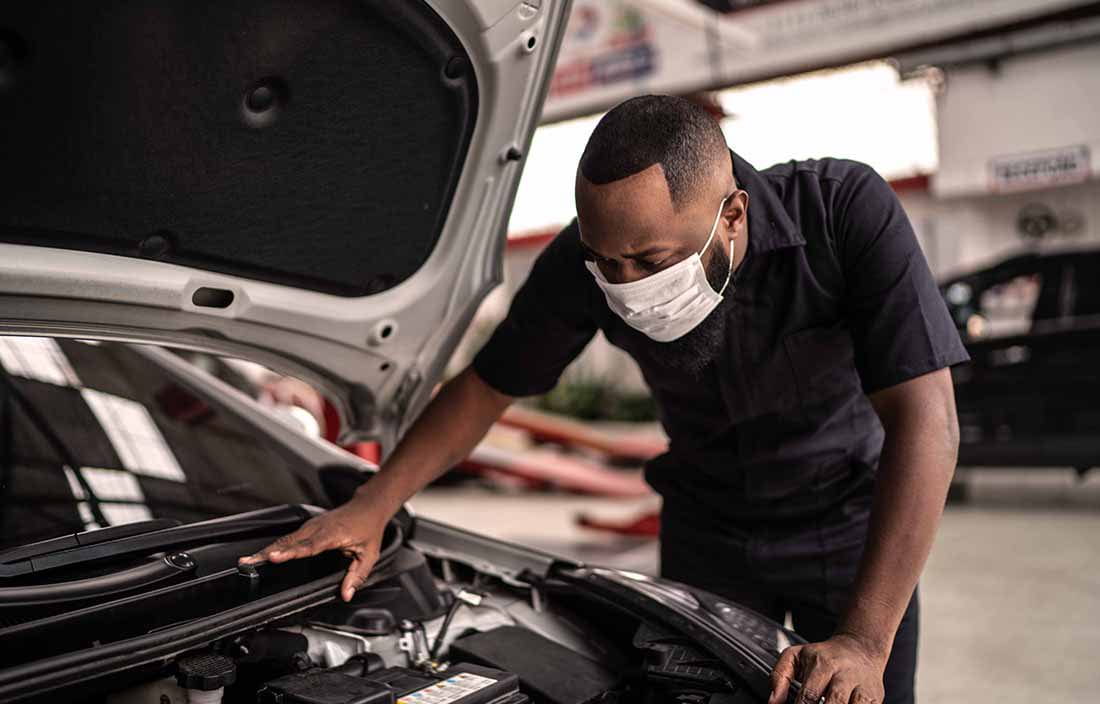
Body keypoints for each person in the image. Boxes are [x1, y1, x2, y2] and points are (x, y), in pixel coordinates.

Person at [241, 95, 968, 704]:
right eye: (607, 263)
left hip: (848, 530)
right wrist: (372, 505)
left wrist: (866, 638)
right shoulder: (579, 265)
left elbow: (925, 419)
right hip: (707, 531)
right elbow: (488, 387)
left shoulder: (844, 214)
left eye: (651, 262)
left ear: (734, 216)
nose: (626, 285)